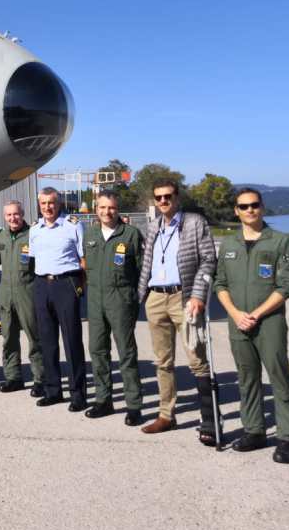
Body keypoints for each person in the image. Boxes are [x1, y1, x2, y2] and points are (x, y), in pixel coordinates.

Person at [214, 188, 289, 463]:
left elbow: (287, 285)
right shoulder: (229, 245)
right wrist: (235, 313)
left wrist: (256, 314)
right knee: (246, 378)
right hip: (237, 322)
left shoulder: (281, 242)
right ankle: (254, 431)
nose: (250, 210)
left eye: (255, 205)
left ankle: (286, 438)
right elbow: (220, 283)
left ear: (262, 207)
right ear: (236, 211)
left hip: (269, 322)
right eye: (244, 206)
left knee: (279, 377)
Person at [137, 179, 217, 443]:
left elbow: (208, 260)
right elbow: (147, 261)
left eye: (167, 197)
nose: (163, 202)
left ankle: (209, 419)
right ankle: (166, 416)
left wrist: (197, 295)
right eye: (158, 198)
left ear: (177, 197)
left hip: (184, 297)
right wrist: (143, 295)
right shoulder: (153, 227)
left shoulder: (195, 223)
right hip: (156, 297)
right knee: (163, 361)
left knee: (196, 358)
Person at [82, 192, 144, 425]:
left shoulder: (130, 235)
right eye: (102, 207)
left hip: (121, 300)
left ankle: (134, 405)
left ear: (118, 210)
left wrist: (135, 299)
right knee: (98, 350)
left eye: (112, 208)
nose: (107, 212)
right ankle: (103, 400)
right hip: (95, 300)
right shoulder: (89, 234)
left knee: (126, 353)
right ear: (96, 209)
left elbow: (141, 271)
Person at [28, 188, 88, 411]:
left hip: (66, 284)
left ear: (59, 203)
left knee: (72, 341)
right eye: (43, 203)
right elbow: (34, 258)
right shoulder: (35, 229)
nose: (47, 207)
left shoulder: (73, 225)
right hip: (43, 284)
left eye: (51, 203)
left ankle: (78, 394)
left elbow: (84, 260)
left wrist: (80, 288)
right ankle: (53, 390)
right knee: (47, 342)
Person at [0, 200, 44, 395]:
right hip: (6, 293)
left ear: (22, 214)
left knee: (35, 338)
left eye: (16, 214)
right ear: (4, 217)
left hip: (27, 292)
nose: (12, 218)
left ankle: (41, 379)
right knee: (8, 338)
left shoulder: (33, 235)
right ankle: (13, 377)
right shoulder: (2, 236)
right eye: (8, 215)